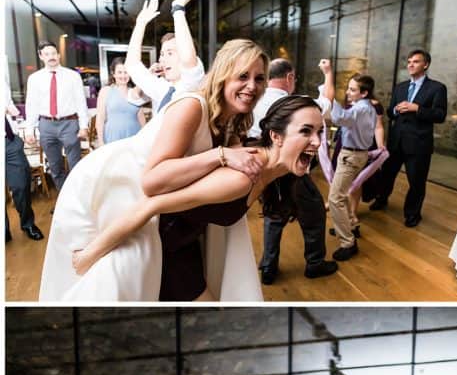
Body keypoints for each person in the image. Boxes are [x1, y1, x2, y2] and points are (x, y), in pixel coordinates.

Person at [39, 38, 270, 302]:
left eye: (259, 78)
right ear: (223, 74)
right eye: (243, 76)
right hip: (111, 188)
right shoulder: (192, 106)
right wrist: (219, 155)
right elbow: (152, 181)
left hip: (161, 213)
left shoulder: (232, 123)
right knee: (113, 281)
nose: (252, 86)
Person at [65, 94, 326, 302]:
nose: (316, 141)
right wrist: (89, 255)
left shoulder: (273, 173)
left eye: (320, 132)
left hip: (186, 247)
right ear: (276, 136)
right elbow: (151, 204)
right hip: (164, 248)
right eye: (306, 131)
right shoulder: (242, 177)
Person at [250, 58, 335, 283]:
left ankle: (268, 266)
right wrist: (327, 73)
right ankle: (315, 263)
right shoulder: (299, 104)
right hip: (288, 170)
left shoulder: (254, 100)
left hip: (265, 169)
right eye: (307, 131)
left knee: (274, 212)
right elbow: (327, 100)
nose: (316, 142)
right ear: (289, 78)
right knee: (315, 210)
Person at [371, 49, 447, 227]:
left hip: (419, 144)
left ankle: (412, 214)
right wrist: (396, 110)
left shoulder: (437, 88)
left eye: (416, 61)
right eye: (409, 61)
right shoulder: (400, 87)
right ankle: (381, 200)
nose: (411, 64)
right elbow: (390, 112)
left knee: (417, 182)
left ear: (425, 65)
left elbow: (440, 115)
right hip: (396, 141)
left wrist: (417, 109)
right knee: (387, 175)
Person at [320, 59, 378, 263]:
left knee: (335, 198)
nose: (348, 92)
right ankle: (350, 225)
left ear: (364, 93)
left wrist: (329, 86)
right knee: (342, 195)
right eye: (348, 88)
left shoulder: (360, 109)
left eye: (353, 90)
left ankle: (348, 242)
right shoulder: (367, 107)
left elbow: (339, 118)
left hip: (352, 157)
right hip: (355, 155)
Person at [124, 0, 205, 116]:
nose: (163, 59)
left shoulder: (192, 84)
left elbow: (188, 58)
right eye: (162, 54)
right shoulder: (162, 88)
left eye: (170, 53)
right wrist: (141, 23)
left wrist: (178, 10)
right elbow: (132, 65)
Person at [23, 40, 89, 191]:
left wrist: (84, 126)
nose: (51, 57)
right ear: (41, 56)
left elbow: (81, 102)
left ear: (59, 55)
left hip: (69, 124)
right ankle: (65, 200)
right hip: (46, 125)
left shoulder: (73, 76)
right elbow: (31, 106)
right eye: (47, 54)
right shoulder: (34, 79)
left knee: (75, 166)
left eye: (53, 53)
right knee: (55, 167)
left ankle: (79, 199)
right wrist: (29, 130)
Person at [4, 76, 44, 241]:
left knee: (21, 185)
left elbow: (7, 103)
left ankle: (28, 223)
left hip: (9, 142)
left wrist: (11, 109)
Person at [95, 59, 142, 145]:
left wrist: (145, 137)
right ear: (113, 74)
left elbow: (141, 117)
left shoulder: (134, 92)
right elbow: (100, 119)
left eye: (126, 72)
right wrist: (101, 142)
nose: (123, 75)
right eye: (120, 72)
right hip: (113, 136)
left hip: (135, 136)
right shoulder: (106, 91)